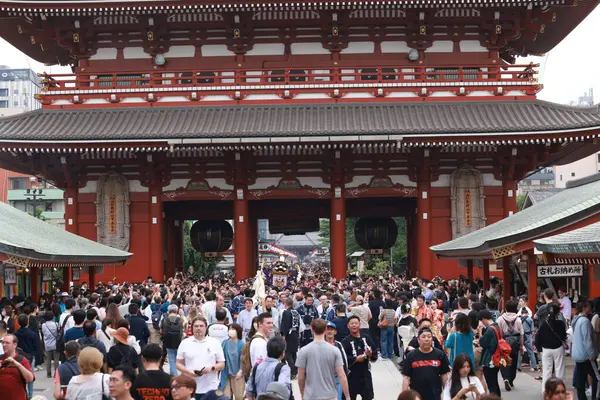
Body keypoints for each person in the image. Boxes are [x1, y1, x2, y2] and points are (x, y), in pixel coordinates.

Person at [297, 319, 350, 400]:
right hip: (330, 395)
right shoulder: (335, 350)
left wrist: (302, 394)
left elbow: (301, 377)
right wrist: (347, 396)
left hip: (311, 396)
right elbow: (341, 375)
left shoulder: (303, 351)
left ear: (312, 330)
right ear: (325, 329)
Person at [176, 316, 225, 399]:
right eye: (196, 326)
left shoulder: (214, 343)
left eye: (201, 326)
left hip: (210, 388)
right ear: (192, 328)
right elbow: (178, 364)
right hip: (190, 388)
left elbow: (222, 364)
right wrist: (187, 371)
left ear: (206, 328)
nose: (199, 328)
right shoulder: (185, 343)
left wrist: (212, 368)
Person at [402, 327, 450, 400]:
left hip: (435, 394)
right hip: (416, 395)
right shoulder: (411, 356)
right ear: (418, 340)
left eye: (429, 336)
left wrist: (446, 395)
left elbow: (444, 376)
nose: (426, 339)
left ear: (432, 339)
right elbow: (406, 378)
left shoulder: (440, 355)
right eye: (423, 337)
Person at [341, 315, 377, 400]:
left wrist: (370, 354)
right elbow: (343, 359)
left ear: (359, 325)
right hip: (351, 376)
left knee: (368, 397)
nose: (354, 325)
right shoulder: (345, 341)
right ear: (348, 326)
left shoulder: (366, 338)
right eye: (352, 323)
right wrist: (356, 359)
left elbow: (374, 353)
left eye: (356, 323)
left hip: (365, 374)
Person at [246, 336, 291, 400]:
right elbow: (283, 391)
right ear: (283, 353)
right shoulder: (283, 368)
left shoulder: (256, 367)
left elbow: (249, 390)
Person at [535, 303, 567, 393]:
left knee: (546, 372)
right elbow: (564, 336)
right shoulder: (561, 323)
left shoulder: (543, 324)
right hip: (558, 349)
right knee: (560, 371)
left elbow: (538, 338)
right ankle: (560, 391)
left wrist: (539, 349)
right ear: (558, 313)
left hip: (546, 350)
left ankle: (545, 392)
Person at [571, 299, 597, 400]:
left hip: (578, 354)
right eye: (589, 306)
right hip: (586, 355)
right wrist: (592, 353)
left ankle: (582, 398)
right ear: (584, 308)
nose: (591, 308)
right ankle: (595, 396)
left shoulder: (576, 320)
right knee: (596, 377)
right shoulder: (585, 321)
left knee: (580, 379)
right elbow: (587, 339)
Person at [496, 299, 523, 391]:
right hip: (515, 343)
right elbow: (521, 334)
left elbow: (497, 332)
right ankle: (511, 379)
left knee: (503, 360)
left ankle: (506, 378)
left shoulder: (500, 319)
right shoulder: (518, 319)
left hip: (503, 342)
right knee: (514, 361)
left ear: (506, 308)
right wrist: (521, 346)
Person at [0, 333, 35, 400]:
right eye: (3, 342)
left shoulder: (22, 360)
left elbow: (30, 378)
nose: (4, 345)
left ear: (14, 345)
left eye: (7, 343)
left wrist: (18, 365)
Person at [14, 313, 40, 397]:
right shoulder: (32, 334)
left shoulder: (15, 334)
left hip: (19, 357)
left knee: (21, 376)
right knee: (30, 376)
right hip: (30, 356)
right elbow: (37, 346)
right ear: (27, 322)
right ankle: (30, 395)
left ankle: (23, 393)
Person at [478, 309, 501, 397]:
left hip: (490, 359)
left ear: (484, 319)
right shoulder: (497, 326)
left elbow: (483, 343)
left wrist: (480, 333)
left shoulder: (489, 330)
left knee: (491, 385)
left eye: (481, 320)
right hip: (497, 357)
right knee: (495, 383)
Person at [219, 323, 245, 400]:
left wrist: (241, 371)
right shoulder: (225, 343)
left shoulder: (241, 344)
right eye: (229, 329)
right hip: (226, 373)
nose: (231, 331)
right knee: (225, 396)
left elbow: (243, 359)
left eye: (233, 329)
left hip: (237, 374)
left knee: (239, 396)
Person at [324, 321, 348, 400]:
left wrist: (345, 373)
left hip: (337, 376)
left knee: (338, 397)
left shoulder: (339, 345)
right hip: (324, 377)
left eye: (331, 329)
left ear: (335, 332)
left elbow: (344, 360)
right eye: (327, 329)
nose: (329, 331)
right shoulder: (320, 345)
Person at [279, 298, 300, 379]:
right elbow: (298, 324)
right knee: (294, 353)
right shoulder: (296, 312)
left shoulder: (286, 312)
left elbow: (285, 324)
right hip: (295, 333)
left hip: (289, 334)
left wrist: (283, 334)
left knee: (287, 353)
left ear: (285, 303)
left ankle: (293, 369)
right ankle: (294, 371)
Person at [161, 304, 184, 376]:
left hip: (168, 342)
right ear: (177, 311)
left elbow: (161, 330)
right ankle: (183, 374)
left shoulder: (164, 320)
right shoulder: (181, 320)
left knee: (172, 360)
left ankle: (174, 375)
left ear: (168, 311)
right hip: (179, 342)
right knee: (181, 360)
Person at [41, 311, 60, 378]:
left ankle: (48, 374)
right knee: (56, 360)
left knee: (48, 360)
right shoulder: (56, 324)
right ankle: (56, 373)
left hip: (47, 344)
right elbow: (58, 333)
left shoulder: (43, 325)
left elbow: (43, 333)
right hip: (55, 344)